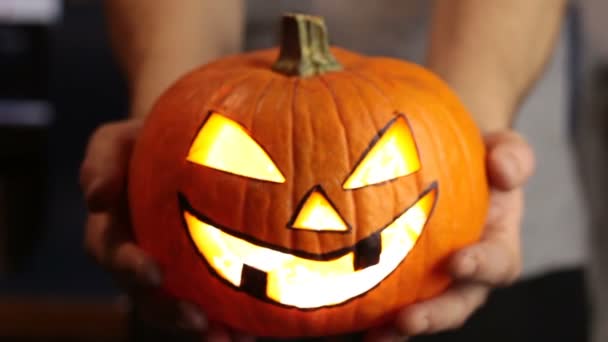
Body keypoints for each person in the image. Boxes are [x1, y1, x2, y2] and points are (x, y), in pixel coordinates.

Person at [80, 0, 579, 341]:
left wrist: (470, 152)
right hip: (198, 277)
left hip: (478, 240)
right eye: (243, 162)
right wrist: (164, 132)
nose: (316, 221)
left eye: (376, 169)